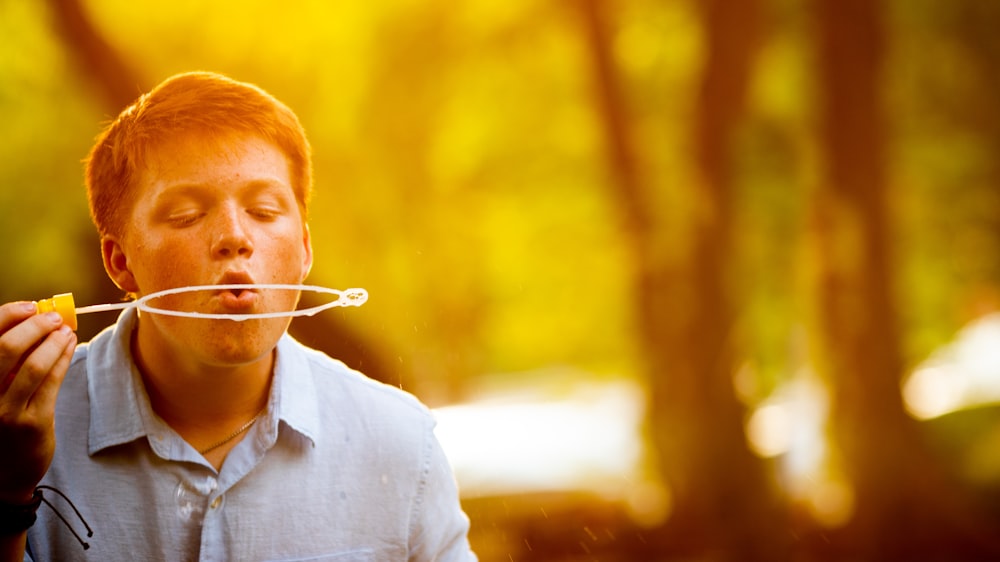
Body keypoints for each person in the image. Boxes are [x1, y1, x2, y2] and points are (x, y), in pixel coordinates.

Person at [0, 71, 477, 561]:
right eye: (186, 214)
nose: (234, 236)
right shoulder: (21, 436)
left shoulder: (399, 444)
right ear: (120, 261)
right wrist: (5, 496)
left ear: (306, 249)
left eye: (265, 211)